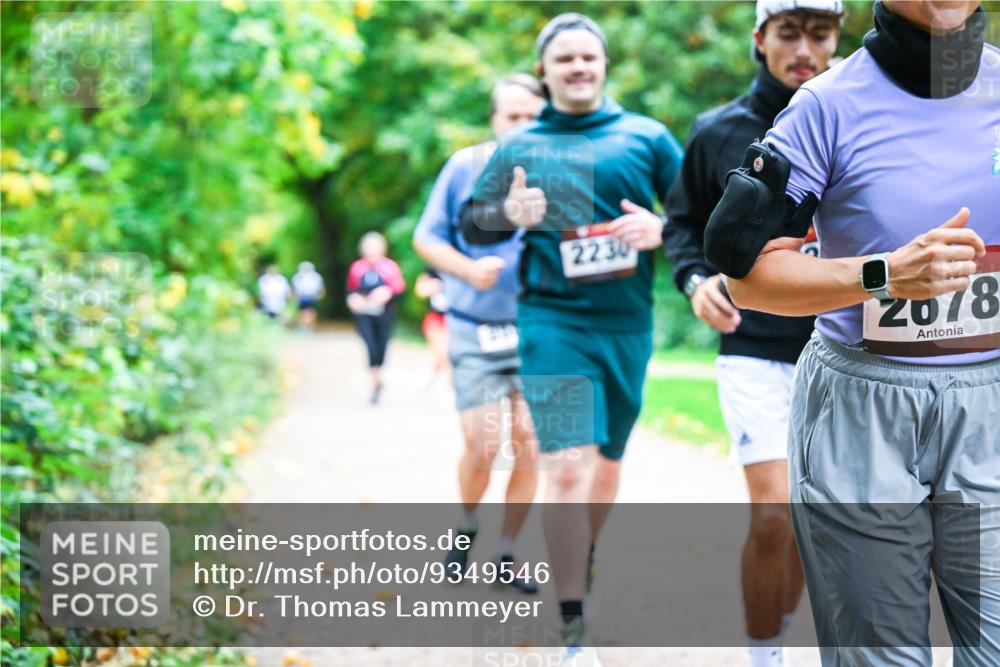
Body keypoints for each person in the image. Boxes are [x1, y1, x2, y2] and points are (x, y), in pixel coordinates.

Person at [706, 1, 999, 665]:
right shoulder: (827, 106)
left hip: (991, 408)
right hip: (863, 411)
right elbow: (745, 272)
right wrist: (884, 275)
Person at [460, 14, 684, 661]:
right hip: (553, 322)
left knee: (606, 468)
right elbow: (473, 224)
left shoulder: (647, 136)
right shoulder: (523, 146)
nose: (579, 68)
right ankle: (572, 622)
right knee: (565, 467)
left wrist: (663, 230)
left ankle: (578, 558)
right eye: (565, 60)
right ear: (545, 72)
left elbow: (699, 217)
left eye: (589, 57)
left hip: (626, 325)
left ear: (605, 64)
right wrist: (509, 212)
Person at [662, 2, 843, 665]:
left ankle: (778, 630)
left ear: (837, 40)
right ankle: (762, 655)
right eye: (788, 33)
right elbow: (680, 225)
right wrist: (693, 280)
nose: (804, 48)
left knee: (812, 524)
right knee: (772, 514)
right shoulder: (718, 131)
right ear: (758, 40)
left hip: (844, 351)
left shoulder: (858, 119)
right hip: (755, 349)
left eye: (819, 34)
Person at [413, 73, 546, 595]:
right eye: (512, 116)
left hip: (537, 329)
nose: (523, 126)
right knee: (484, 443)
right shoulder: (465, 167)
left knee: (531, 442)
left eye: (532, 116)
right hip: (473, 328)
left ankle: (507, 551)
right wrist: (466, 272)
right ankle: (467, 528)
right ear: (494, 120)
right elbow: (427, 237)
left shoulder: (563, 172)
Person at [346, 232, 406, 405]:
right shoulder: (357, 268)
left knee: (381, 347)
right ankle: (374, 383)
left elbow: (399, 290)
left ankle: (378, 378)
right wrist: (353, 299)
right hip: (364, 314)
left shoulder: (390, 267)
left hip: (385, 315)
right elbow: (351, 290)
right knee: (370, 346)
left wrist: (387, 293)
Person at [414, 267, 452, 386]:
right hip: (436, 318)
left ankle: (437, 370)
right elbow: (419, 291)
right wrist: (433, 285)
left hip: (455, 318)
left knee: (447, 354)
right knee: (443, 352)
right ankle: (450, 384)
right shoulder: (433, 268)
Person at [292, 261, 325, 331]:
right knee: (302, 313)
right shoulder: (298, 277)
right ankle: (303, 328)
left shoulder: (316, 277)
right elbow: (294, 289)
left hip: (312, 297)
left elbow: (321, 289)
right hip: (301, 297)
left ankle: (310, 328)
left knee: (311, 313)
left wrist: (319, 296)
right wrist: (295, 297)